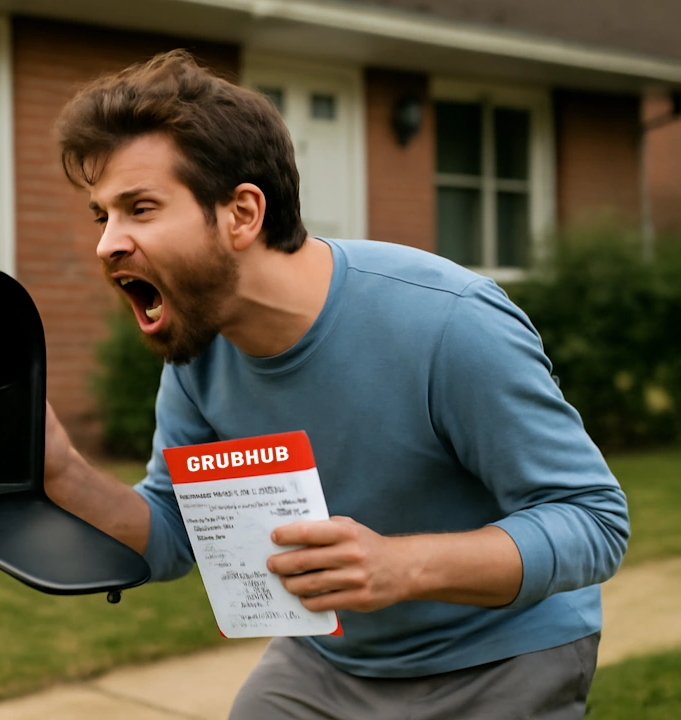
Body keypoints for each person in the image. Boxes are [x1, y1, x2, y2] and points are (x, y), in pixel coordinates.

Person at [42, 49, 629, 719]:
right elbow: (177, 533)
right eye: (102, 216)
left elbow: (593, 521)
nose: (106, 244)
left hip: (500, 655)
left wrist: (399, 566)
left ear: (242, 213)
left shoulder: (447, 323)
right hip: (330, 661)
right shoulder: (200, 354)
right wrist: (61, 469)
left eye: (139, 209)